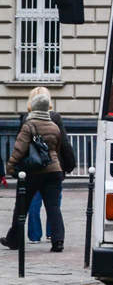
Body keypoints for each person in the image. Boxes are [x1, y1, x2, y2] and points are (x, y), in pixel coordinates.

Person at [2, 90, 67, 252]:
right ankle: (58, 240)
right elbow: (58, 148)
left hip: (32, 172)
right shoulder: (54, 126)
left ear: (33, 107)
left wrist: (10, 167)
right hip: (54, 171)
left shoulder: (28, 126)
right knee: (53, 207)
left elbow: (19, 149)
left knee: (21, 206)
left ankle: (14, 240)